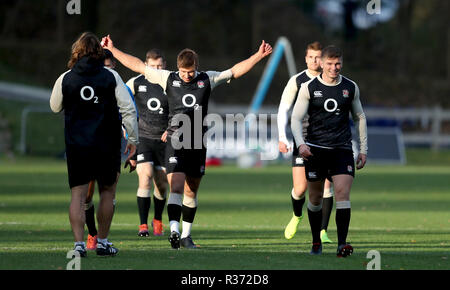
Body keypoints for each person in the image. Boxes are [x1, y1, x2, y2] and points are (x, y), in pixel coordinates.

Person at [101, 34, 272, 249]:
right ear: (178, 68)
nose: (187, 76)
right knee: (176, 186)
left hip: (197, 141)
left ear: (196, 68)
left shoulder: (207, 79)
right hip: (175, 140)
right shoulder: (168, 78)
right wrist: (114, 50)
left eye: (190, 72)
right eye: (183, 72)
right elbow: (137, 66)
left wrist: (258, 55)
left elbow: (235, 71)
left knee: (192, 190)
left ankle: (186, 236)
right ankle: (174, 230)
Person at [50, 32, 138, 257]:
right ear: (99, 52)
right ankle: (103, 242)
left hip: (77, 145)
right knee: (107, 192)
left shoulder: (66, 77)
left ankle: (79, 246)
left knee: (78, 196)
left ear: (76, 52)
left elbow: (54, 106)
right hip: (106, 145)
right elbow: (128, 109)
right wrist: (133, 140)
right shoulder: (111, 76)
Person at [290, 45, 367, 257]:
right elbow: (295, 118)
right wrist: (300, 144)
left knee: (342, 192)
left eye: (338, 63)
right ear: (322, 63)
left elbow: (359, 117)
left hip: (342, 149)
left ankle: (342, 244)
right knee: (314, 198)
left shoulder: (350, 87)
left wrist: (363, 148)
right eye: (331, 63)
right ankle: (316, 241)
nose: (335, 67)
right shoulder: (308, 87)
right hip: (315, 150)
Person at [278, 41, 334, 244]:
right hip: (303, 140)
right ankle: (296, 215)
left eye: (318, 57)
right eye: (311, 57)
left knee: (326, 187)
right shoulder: (297, 80)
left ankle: (322, 232)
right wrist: (282, 137)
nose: (314, 61)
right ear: (305, 58)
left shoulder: (331, 80)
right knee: (301, 189)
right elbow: (283, 109)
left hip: (327, 140)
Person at [84, 48, 135, 250]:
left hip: (112, 143)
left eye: (109, 65)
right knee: (86, 194)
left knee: (108, 192)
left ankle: (102, 240)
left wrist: (133, 145)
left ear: (114, 66)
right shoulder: (87, 82)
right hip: (87, 142)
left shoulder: (119, 84)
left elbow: (132, 113)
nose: (106, 69)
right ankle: (92, 235)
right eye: (102, 66)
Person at [125, 49, 169, 237]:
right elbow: (124, 107)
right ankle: (143, 225)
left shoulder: (171, 83)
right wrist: (129, 139)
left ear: (165, 66)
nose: (157, 70)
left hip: (165, 140)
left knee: (162, 184)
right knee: (146, 176)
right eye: (152, 67)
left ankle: (157, 219)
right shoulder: (135, 82)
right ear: (145, 66)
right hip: (143, 137)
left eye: (159, 66)